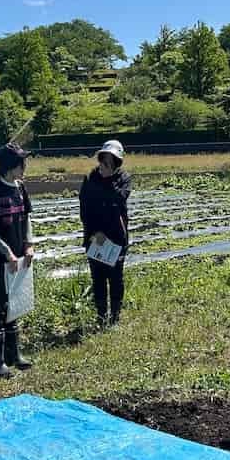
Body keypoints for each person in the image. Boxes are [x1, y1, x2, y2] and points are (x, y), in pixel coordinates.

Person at [0, 143, 36, 378]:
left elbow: (26, 219)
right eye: (22, 163)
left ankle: (15, 355)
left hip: (17, 259)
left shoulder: (20, 188)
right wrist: (6, 252)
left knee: (15, 303)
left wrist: (29, 244)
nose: (25, 167)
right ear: (10, 166)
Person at [79, 140, 133, 326]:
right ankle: (101, 316)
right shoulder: (90, 179)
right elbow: (85, 209)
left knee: (116, 277)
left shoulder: (123, 179)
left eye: (109, 162)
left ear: (117, 163)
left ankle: (115, 317)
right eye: (103, 160)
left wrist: (109, 179)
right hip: (94, 237)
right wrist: (94, 234)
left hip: (116, 237)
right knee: (98, 277)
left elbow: (119, 199)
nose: (104, 165)